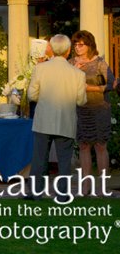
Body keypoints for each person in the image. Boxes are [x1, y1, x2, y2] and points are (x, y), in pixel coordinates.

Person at [28, 34, 87, 197]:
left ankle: (35, 192)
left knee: (39, 158)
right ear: (68, 51)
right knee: (64, 160)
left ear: (52, 49)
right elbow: (81, 100)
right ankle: (63, 194)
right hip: (65, 120)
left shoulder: (40, 68)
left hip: (43, 120)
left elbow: (31, 95)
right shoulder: (78, 74)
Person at [70, 29, 114, 191]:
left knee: (100, 146)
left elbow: (111, 85)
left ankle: (102, 187)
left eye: (81, 44)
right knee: (83, 146)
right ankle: (85, 187)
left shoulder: (100, 62)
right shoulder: (71, 63)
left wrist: (91, 88)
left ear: (89, 45)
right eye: (75, 44)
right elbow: (66, 84)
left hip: (100, 109)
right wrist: (74, 69)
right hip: (81, 110)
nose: (77, 47)